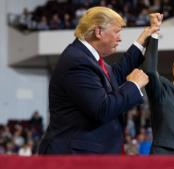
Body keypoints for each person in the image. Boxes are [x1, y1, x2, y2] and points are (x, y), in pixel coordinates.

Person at [38, 6, 162, 154]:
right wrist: (134, 85)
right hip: (75, 158)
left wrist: (143, 38)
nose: (120, 38)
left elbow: (116, 74)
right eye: (116, 32)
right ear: (98, 32)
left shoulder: (88, 59)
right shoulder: (77, 61)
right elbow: (102, 109)